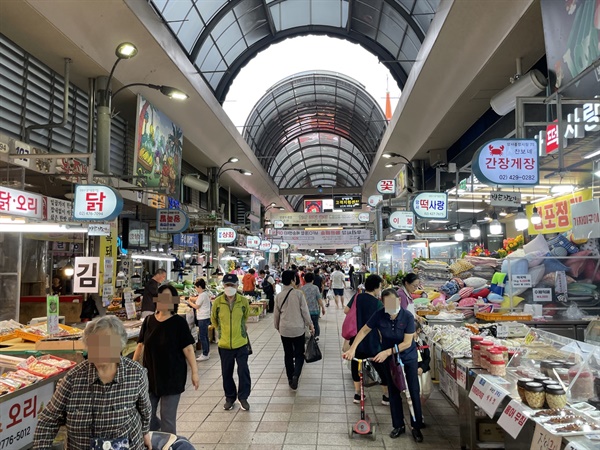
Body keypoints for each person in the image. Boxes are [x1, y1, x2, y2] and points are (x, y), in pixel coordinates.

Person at [33, 316, 152, 450]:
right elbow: (48, 419)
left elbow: (145, 410)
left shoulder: (135, 374)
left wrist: (145, 432)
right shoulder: (73, 378)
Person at [343, 288, 424, 442]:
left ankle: (416, 426)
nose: (390, 307)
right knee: (393, 392)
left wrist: (387, 352)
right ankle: (398, 425)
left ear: (399, 301)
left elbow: (407, 343)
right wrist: (352, 349)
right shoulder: (380, 315)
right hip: (390, 361)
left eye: (393, 302)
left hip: (407, 359)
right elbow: (364, 331)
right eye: (387, 304)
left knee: (413, 392)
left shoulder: (407, 317)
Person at [133, 285, 199, 434]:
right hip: (150, 377)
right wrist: (132, 367)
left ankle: (168, 444)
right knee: (146, 417)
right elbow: (140, 346)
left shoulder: (179, 323)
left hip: (172, 377)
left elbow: (188, 349)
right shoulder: (149, 321)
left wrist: (195, 372)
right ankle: (156, 437)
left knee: (168, 420)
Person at [344, 274, 389, 405]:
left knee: (355, 364)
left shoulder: (357, 296)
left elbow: (346, 310)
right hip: (372, 340)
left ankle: (358, 395)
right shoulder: (378, 303)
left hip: (355, 338)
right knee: (381, 367)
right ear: (377, 287)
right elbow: (388, 318)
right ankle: (386, 396)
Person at [211, 273, 252, 411]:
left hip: (241, 342)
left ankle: (243, 397)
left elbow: (245, 317)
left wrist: (240, 329)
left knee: (243, 370)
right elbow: (214, 319)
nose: (229, 287)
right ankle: (230, 398)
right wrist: (221, 332)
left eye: (232, 285)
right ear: (223, 285)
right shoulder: (218, 302)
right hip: (224, 344)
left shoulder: (243, 301)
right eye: (227, 285)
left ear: (237, 286)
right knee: (226, 372)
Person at [274, 270, 314, 390]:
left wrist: (277, 327)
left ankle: (290, 378)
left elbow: (276, 314)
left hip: (284, 329)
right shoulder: (298, 294)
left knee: (288, 354)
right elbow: (305, 312)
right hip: (298, 329)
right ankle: (296, 375)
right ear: (292, 280)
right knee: (299, 354)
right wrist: (311, 324)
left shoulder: (279, 296)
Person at [187, 278, 211, 361]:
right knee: (205, 335)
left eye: (196, 287)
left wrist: (189, 302)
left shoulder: (202, 295)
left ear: (200, 287)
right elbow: (197, 299)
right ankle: (207, 352)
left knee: (202, 336)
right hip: (205, 317)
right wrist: (192, 299)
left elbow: (196, 306)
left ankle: (205, 353)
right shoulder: (204, 294)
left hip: (203, 318)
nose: (196, 289)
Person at [302, 272, 325, 338]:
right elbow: (319, 299)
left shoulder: (302, 289)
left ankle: (307, 336)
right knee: (315, 324)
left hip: (305, 311)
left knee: (306, 325)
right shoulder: (315, 288)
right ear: (313, 280)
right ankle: (315, 337)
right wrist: (323, 307)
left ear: (304, 279)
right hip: (315, 310)